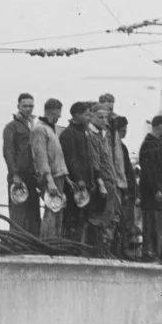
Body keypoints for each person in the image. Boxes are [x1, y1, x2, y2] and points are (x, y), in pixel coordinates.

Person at [2, 93, 39, 236]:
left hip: (32, 175)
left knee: (33, 212)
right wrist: (14, 174)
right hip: (19, 176)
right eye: (25, 106)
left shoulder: (33, 126)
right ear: (18, 106)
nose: (28, 109)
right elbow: (8, 151)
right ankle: (17, 240)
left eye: (31, 106)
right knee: (19, 213)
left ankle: (33, 242)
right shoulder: (11, 127)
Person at [30, 98, 67, 239]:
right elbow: (41, 157)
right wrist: (49, 180)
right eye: (58, 114)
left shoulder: (50, 129)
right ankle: (48, 242)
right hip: (51, 177)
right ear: (52, 112)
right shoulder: (40, 129)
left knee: (57, 211)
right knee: (52, 210)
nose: (60, 117)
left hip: (59, 175)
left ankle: (55, 241)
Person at [59, 102, 96, 242]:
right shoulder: (68, 134)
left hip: (84, 184)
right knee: (72, 216)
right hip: (75, 185)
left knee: (82, 217)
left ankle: (78, 244)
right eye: (87, 115)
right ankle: (70, 245)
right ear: (77, 115)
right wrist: (79, 179)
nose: (89, 118)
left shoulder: (82, 133)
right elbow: (72, 159)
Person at [88, 102, 119, 254]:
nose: (103, 120)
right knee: (99, 219)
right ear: (92, 116)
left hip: (110, 180)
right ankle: (97, 251)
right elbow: (95, 162)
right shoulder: (92, 136)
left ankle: (104, 250)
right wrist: (100, 183)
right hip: (103, 181)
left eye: (105, 117)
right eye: (100, 117)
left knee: (109, 217)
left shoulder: (104, 134)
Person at [138, 115, 162, 261]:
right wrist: (156, 189)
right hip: (152, 193)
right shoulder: (150, 144)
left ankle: (154, 252)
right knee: (152, 224)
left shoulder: (154, 143)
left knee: (155, 223)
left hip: (155, 191)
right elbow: (149, 170)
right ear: (160, 126)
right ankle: (149, 252)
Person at [111, 115, 137, 258]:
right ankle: (120, 250)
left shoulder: (123, 148)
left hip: (127, 189)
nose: (125, 132)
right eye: (123, 130)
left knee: (125, 222)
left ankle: (122, 249)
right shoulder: (118, 148)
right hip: (122, 190)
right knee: (121, 221)